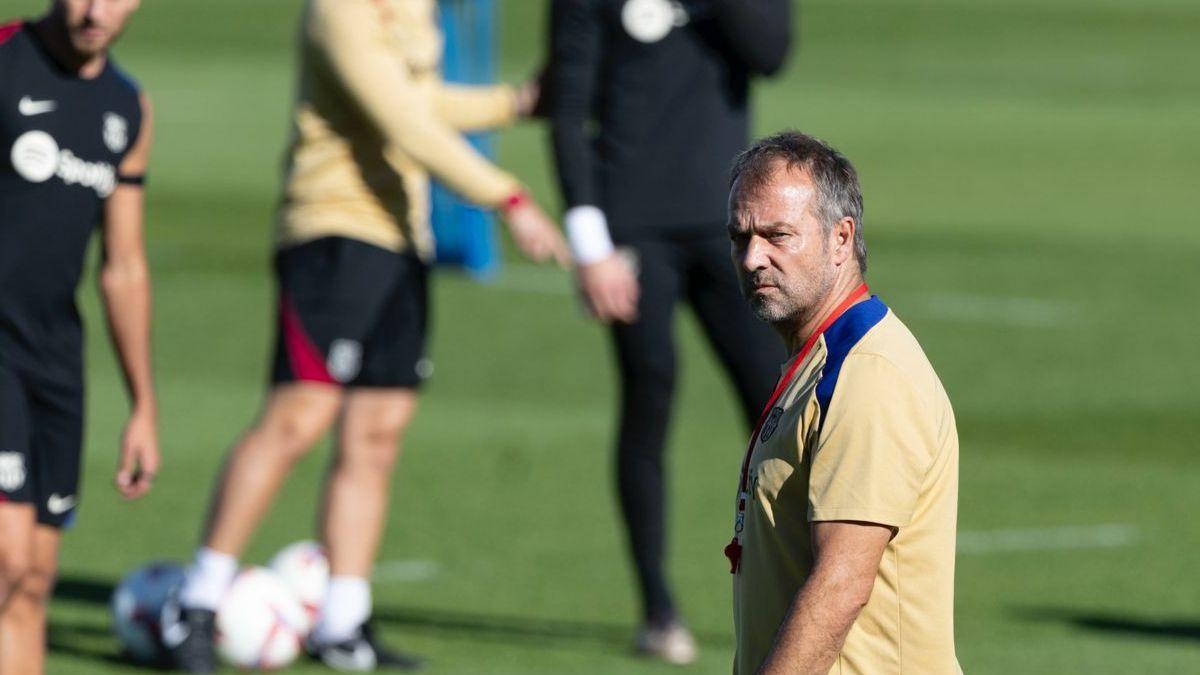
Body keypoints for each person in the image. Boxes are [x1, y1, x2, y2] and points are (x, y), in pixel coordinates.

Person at [164, 0, 568, 672]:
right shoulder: (339, 9)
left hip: (402, 241)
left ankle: (342, 620)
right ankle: (198, 601)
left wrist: (514, 102)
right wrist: (508, 197)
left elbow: (422, 101)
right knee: (298, 417)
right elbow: (399, 117)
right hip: (331, 234)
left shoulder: (418, 8)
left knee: (377, 435)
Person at [545, 0, 791, 663]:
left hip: (731, 222)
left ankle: (799, 586)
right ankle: (657, 607)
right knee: (651, 389)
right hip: (631, 223)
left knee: (778, 401)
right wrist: (590, 243)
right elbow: (567, 106)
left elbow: (770, 52)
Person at [724, 131, 961, 674]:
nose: (753, 258)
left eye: (777, 235)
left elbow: (842, 584)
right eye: (740, 238)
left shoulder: (868, 374)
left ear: (840, 238)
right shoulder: (820, 360)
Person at [0, 1, 159, 673]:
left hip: (55, 362)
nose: (95, 11)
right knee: (5, 561)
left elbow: (123, 267)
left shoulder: (128, 108)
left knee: (34, 579)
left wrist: (142, 404)